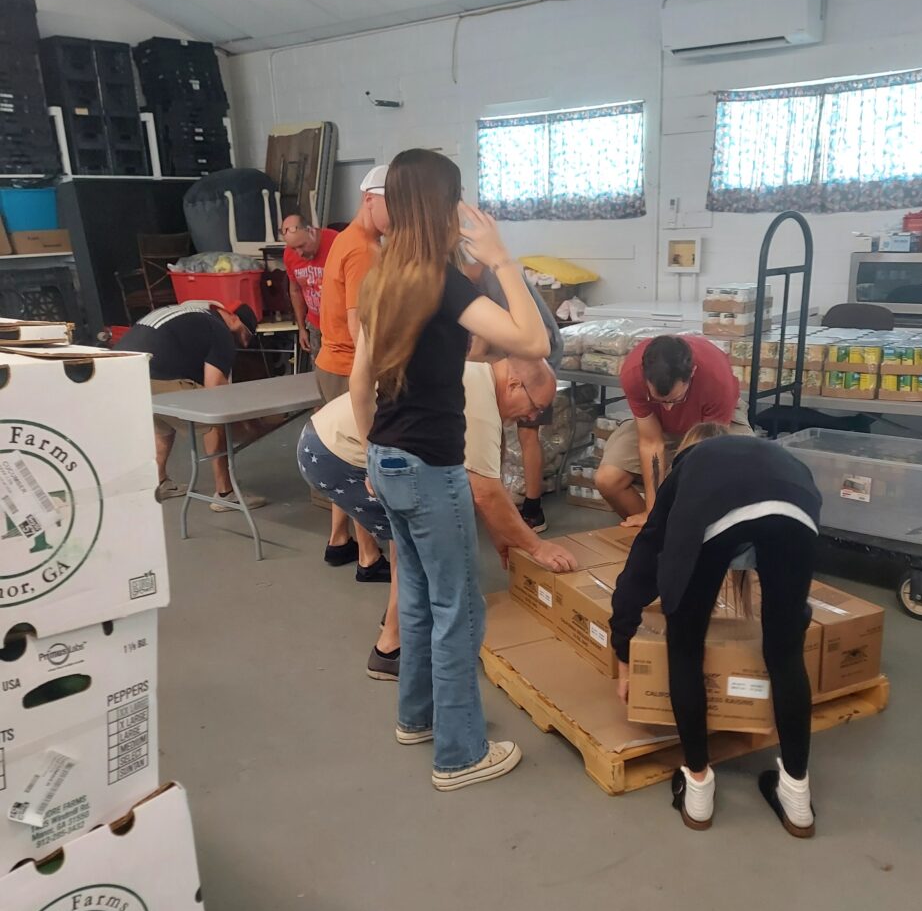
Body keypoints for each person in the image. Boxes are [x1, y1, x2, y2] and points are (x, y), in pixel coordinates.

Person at [350, 149, 550, 793]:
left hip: (387, 457)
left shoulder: (382, 276)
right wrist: (501, 260)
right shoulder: (442, 280)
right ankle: (460, 754)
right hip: (430, 469)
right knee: (458, 610)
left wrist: (374, 455)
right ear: (442, 205)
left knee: (416, 597)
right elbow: (533, 342)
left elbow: (359, 382)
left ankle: (418, 718)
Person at [297, 356, 579, 678]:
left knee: (415, 537)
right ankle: (390, 649)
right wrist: (537, 547)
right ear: (515, 384)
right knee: (416, 545)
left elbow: (482, 481)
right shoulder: (480, 404)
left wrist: (502, 536)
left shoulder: (478, 378)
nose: (532, 417)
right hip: (337, 454)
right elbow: (485, 492)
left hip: (327, 440)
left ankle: (402, 619)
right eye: (535, 407)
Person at [609, 424, 822, 837]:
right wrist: (792, 621)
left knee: (685, 646)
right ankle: (797, 796)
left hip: (727, 516)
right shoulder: (775, 457)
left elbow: (642, 566)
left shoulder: (688, 469)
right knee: (785, 653)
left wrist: (624, 652)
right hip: (798, 510)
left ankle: (698, 787)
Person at [115, 299, 264, 511]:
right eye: (245, 336)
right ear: (233, 319)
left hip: (121, 373)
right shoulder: (220, 331)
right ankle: (225, 493)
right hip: (153, 372)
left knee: (163, 422)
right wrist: (247, 417)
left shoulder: (191, 314)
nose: (244, 344)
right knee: (214, 418)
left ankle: (158, 481)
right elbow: (214, 388)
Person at [314, 164, 390, 570]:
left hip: (332, 360)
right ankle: (367, 555)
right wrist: (374, 374)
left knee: (344, 452)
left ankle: (338, 540)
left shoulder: (346, 238)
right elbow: (358, 321)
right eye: (394, 207)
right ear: (369, 200)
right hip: (349, 366)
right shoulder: (364, 249)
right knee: (361, 460)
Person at [595, 334, 753, 526]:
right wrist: (653, 513)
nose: (669, 408)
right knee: (608, 480)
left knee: (740, 480)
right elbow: (651, 442)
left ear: (692, 372)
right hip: (657, 423)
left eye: (675, 399)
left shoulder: (716, 379)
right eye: (658, 400)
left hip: (711, 428)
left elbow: (706, 457)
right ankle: (656, 531)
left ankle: (690, 533)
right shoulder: (633, 374)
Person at [462, 260, 563, 534]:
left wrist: (467, 369)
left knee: (527, 433)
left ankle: (533, 509)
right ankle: (497, 497)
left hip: (536, 366)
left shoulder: (495, 280)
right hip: (520, 361)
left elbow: (490, 335)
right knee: (495, 428)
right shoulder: (482, 282)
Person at [281, 213, 338, 362]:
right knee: (319, 368)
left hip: (339, 324)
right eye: (294, 248)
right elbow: (295, 291)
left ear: (311, 231)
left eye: (302, 246)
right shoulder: (289, 255)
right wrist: (301, 328)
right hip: (315, 323)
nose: (299, 253)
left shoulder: (336, 242)